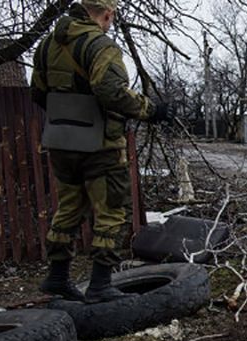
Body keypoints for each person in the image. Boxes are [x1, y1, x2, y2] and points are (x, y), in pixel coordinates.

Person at [30, 0, 173, 303]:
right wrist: (150, 110)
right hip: (101, 146)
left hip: (60, 140)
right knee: (112, 211)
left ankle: (57, 278)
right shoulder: (101, 45)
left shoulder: (45, 45)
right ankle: (100, 285)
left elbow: (38, 92)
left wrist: (68, 115)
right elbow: (111, 92)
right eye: (111, 19)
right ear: (107, 14)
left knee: (69, 207)